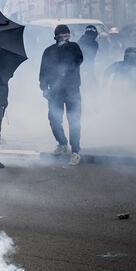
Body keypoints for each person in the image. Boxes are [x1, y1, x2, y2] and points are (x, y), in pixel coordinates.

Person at [39, 24, 84, 166]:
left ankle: (75, 151)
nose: (65, 38)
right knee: (54, 119)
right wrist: (43, 87)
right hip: (55, 91)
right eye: (62, 36)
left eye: (67, 35)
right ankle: (62, 143)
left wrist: (65, 66)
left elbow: (79, 60)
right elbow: (43, 70)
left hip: (72, 90)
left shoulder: (74, 47)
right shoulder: (49, 51)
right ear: (56, 37)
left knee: (74, 120)